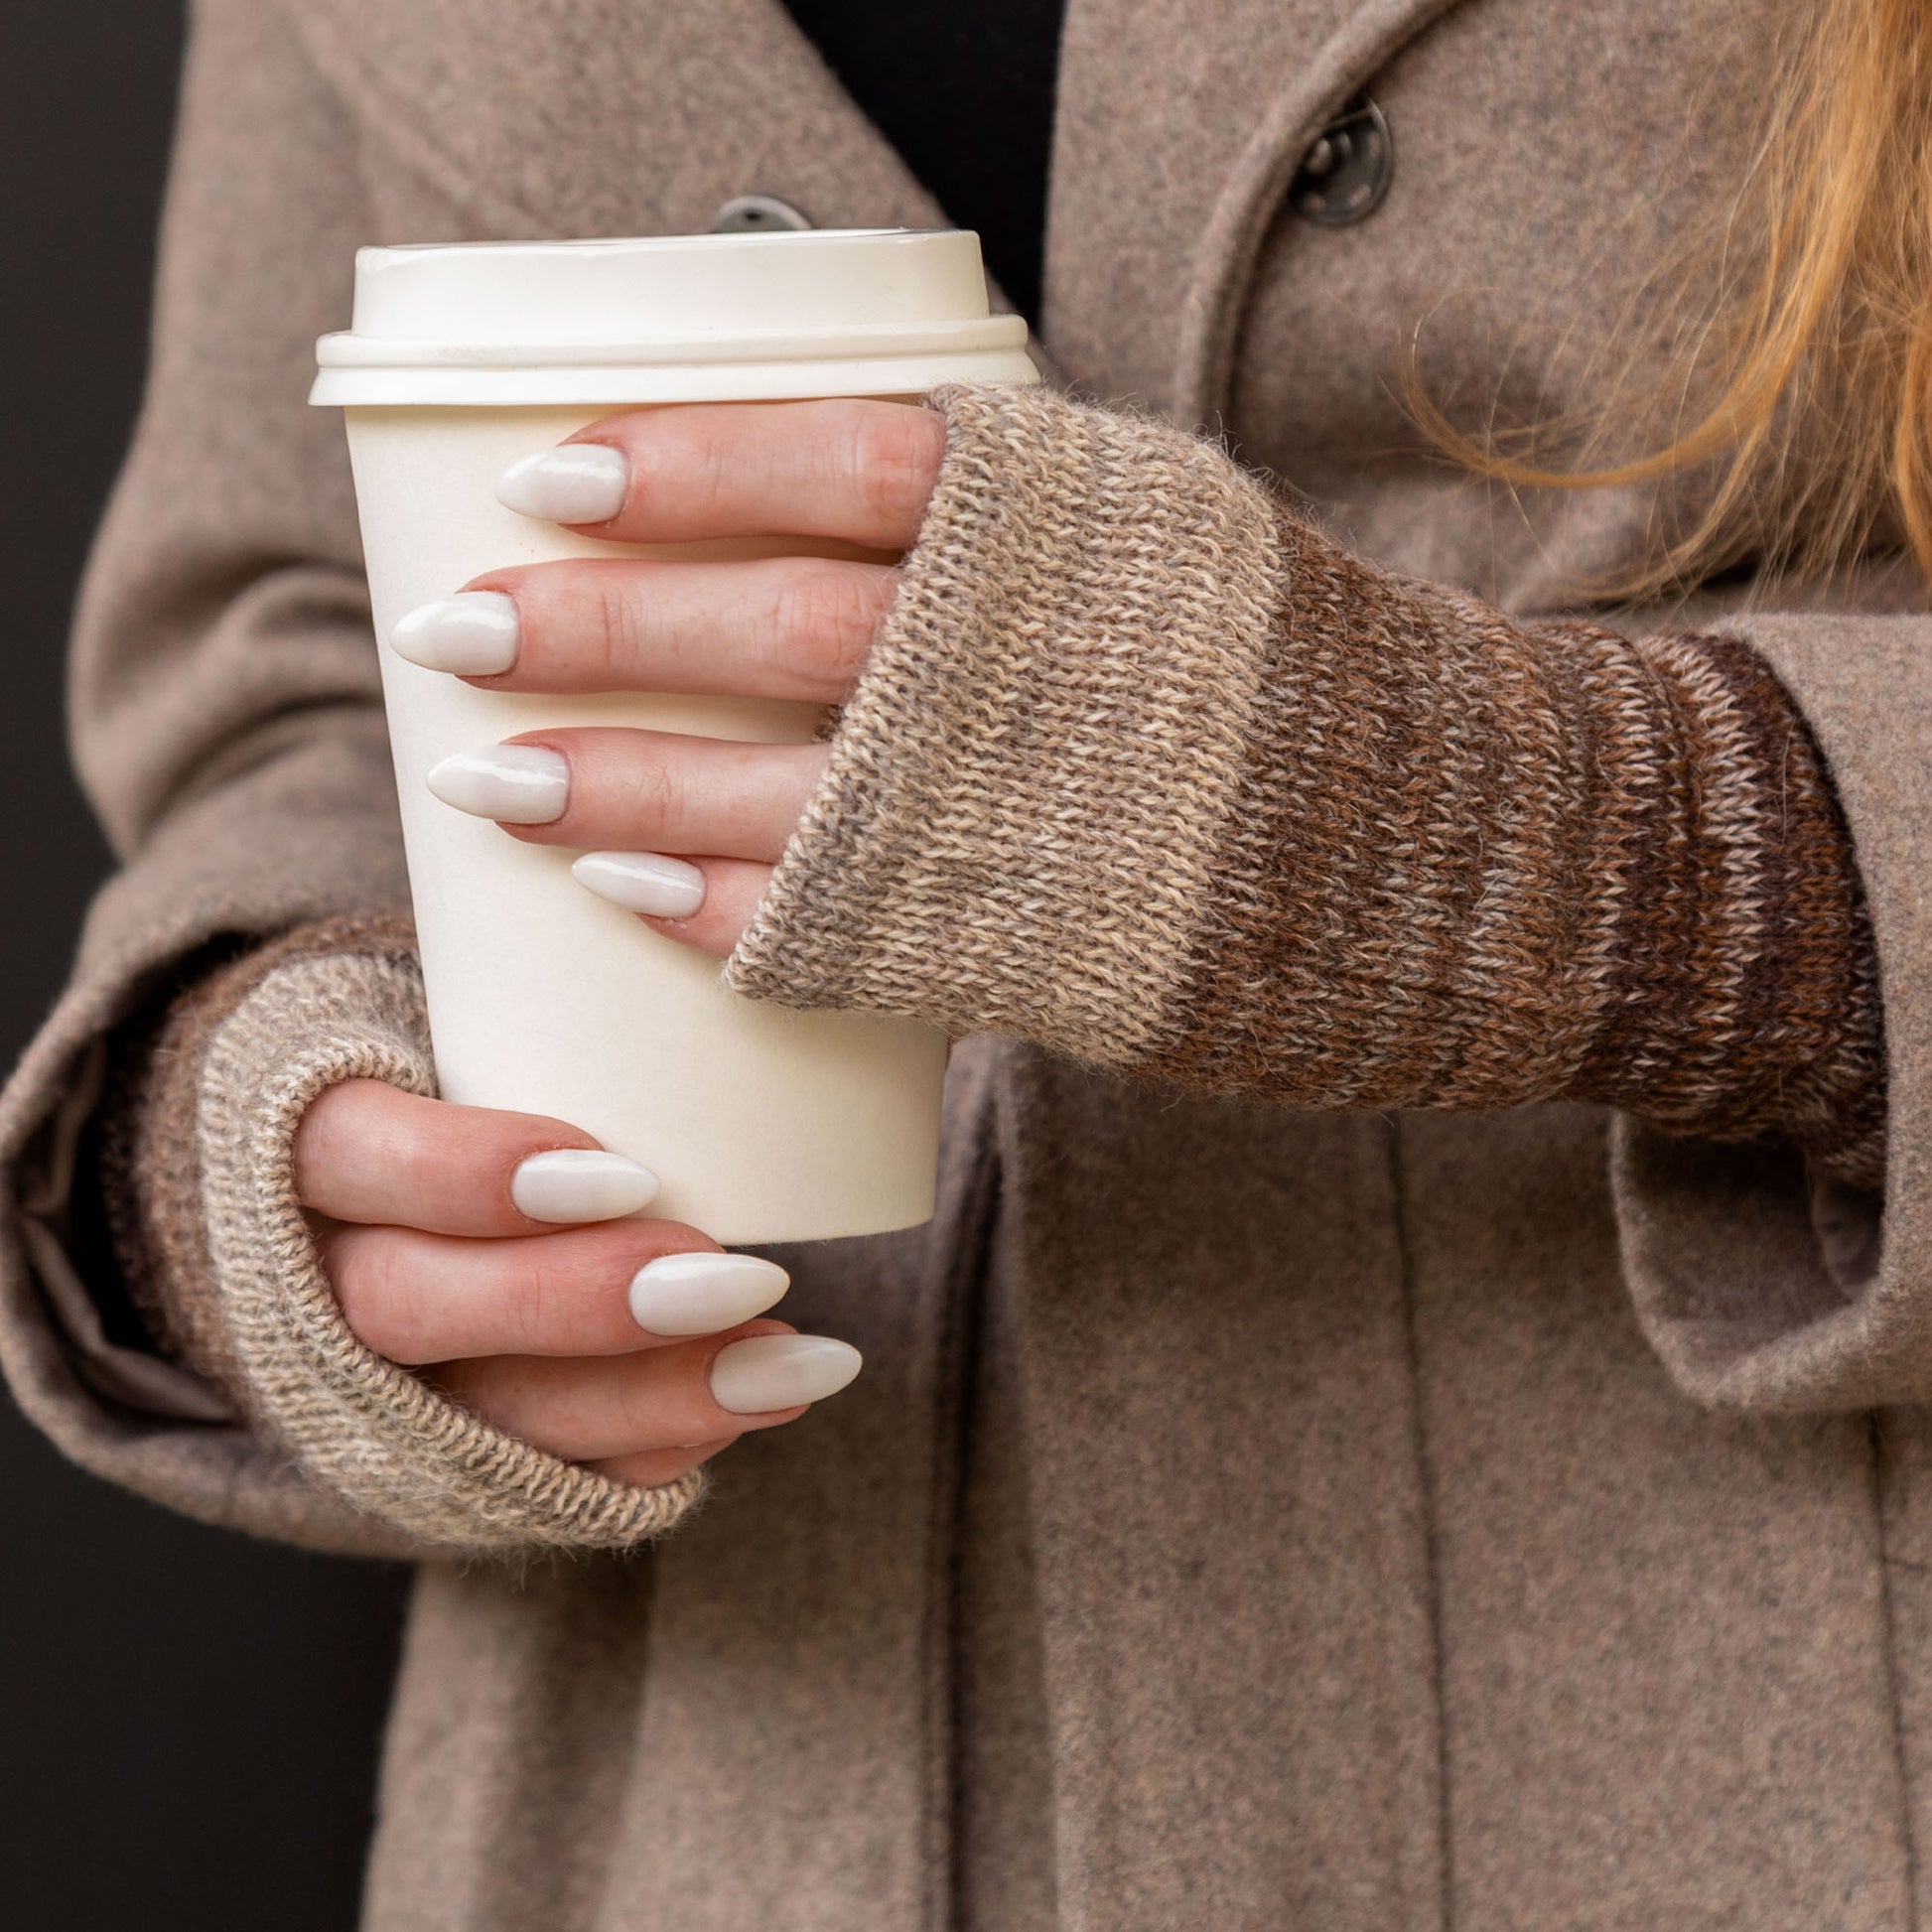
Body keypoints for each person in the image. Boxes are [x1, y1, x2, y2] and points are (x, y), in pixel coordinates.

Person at [3, 0, 1929, 1924]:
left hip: (1746, 1759)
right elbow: (301, 659)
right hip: (699, 1792)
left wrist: (1535, 846)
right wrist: (270, 1147)